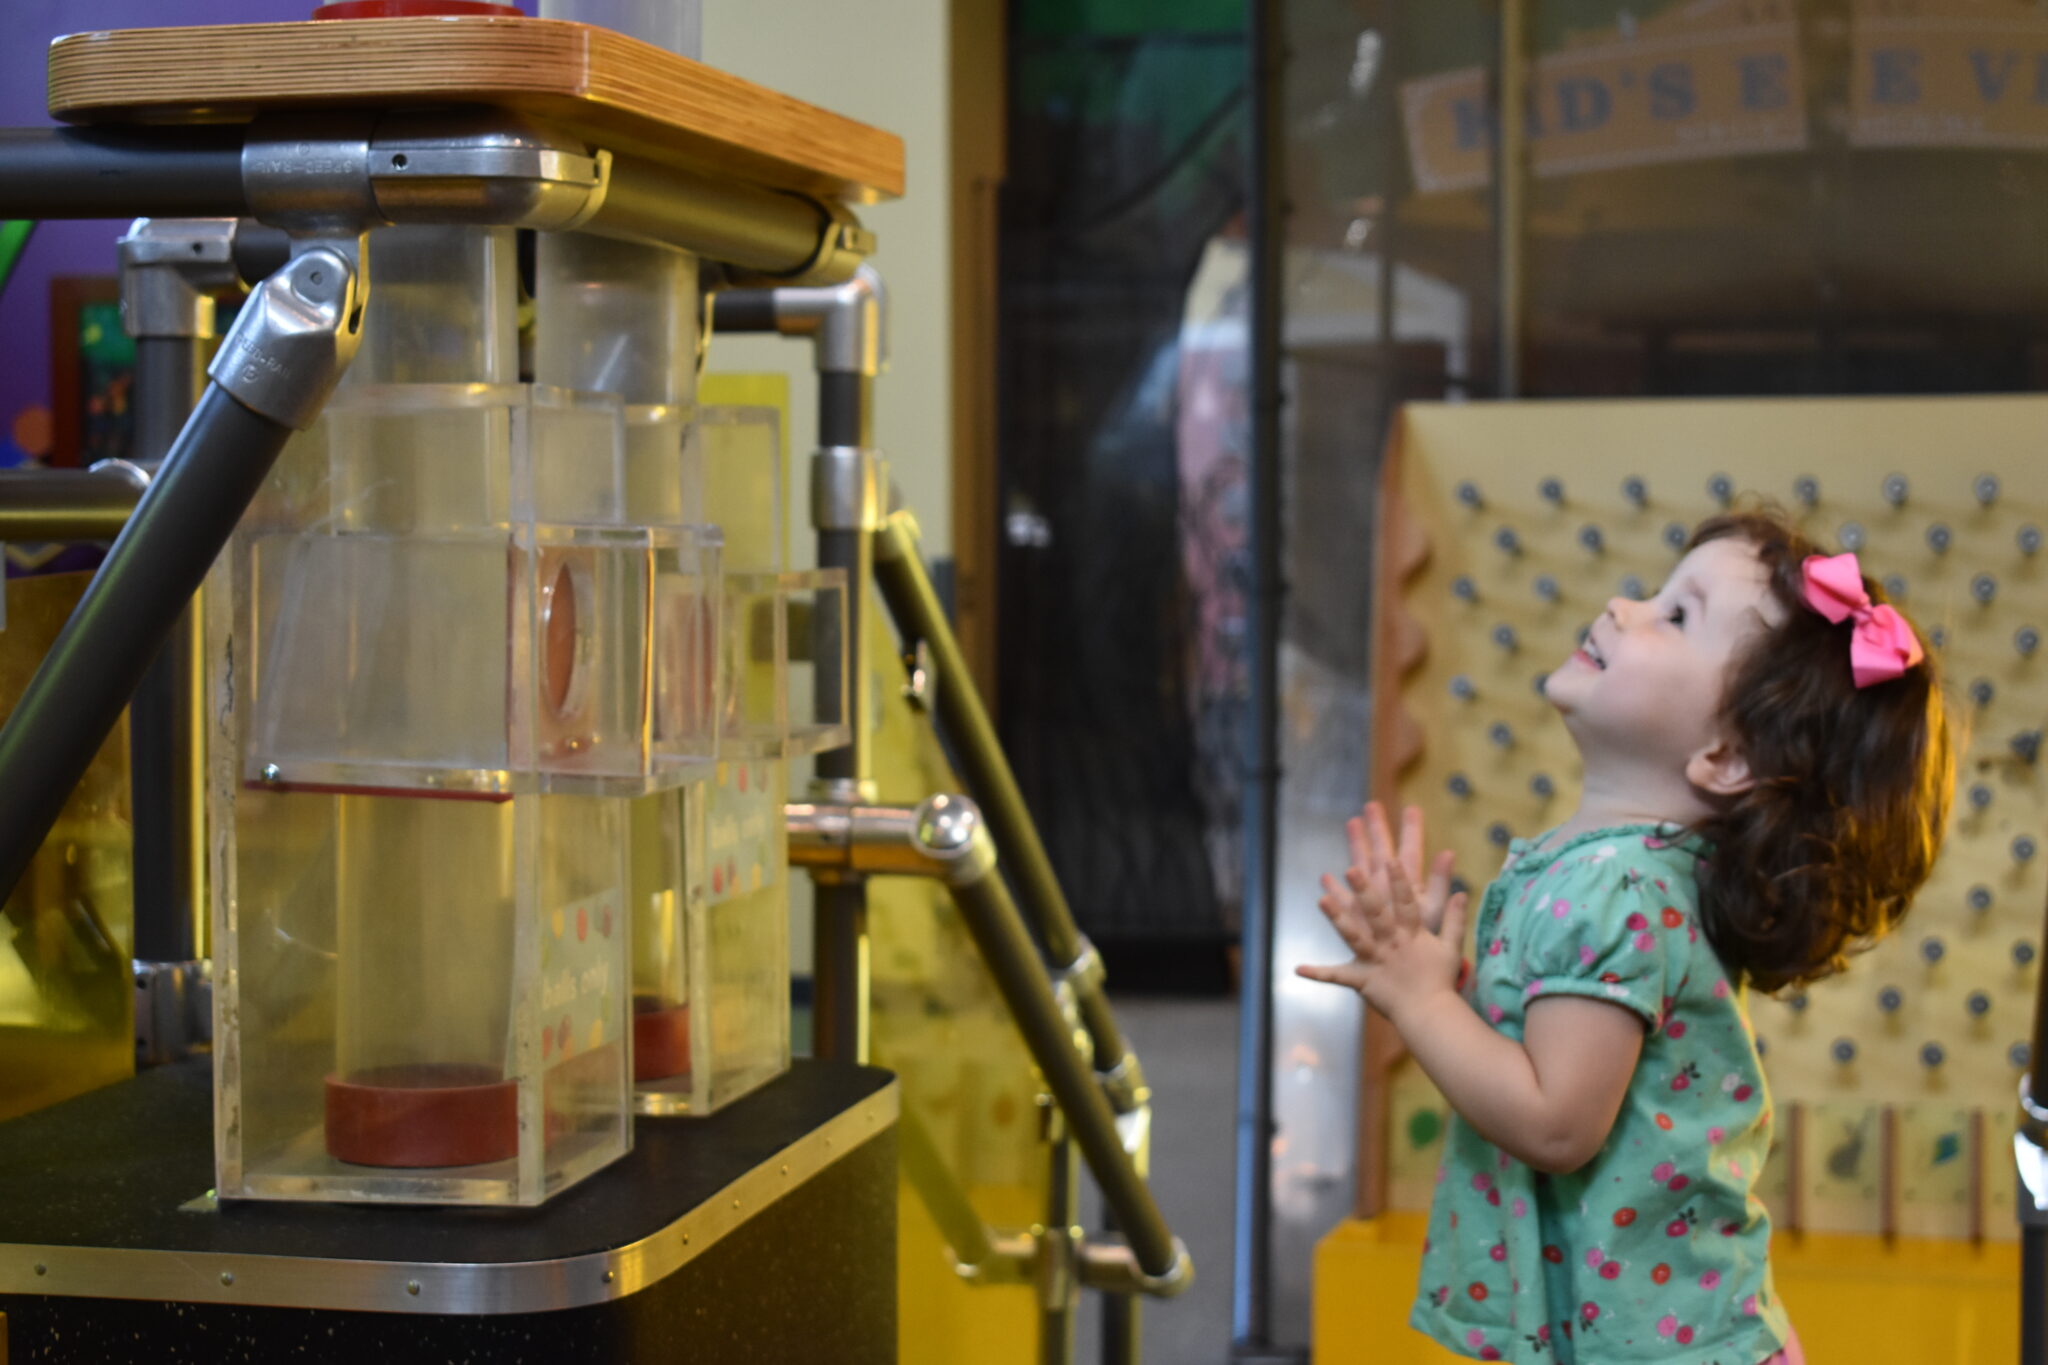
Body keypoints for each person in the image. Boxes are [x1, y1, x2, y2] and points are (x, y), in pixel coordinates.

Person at [1298, 509, 1953, 1363]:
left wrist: (1420, 999)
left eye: (1677, 615)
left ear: (1726, 757)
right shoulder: (1625, 874)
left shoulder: (1617, 889)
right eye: (1655, 592)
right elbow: (1557, 1059)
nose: (1622, 605)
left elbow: (1556, 1122)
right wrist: (1450, 984)